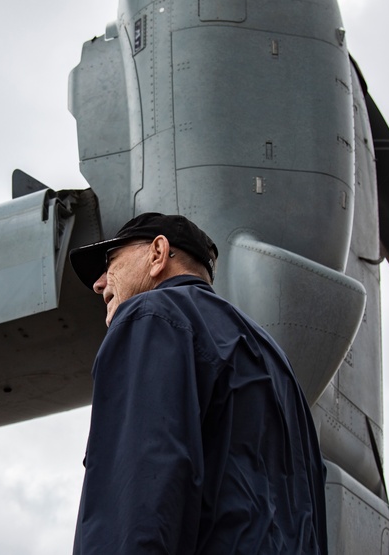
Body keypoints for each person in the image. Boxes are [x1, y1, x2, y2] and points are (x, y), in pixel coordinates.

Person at [68, 212, 327, 554]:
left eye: (111, 261)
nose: (99, 283)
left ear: (157, 254)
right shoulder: (274, 359)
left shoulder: (151, 315)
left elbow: (142, 485)